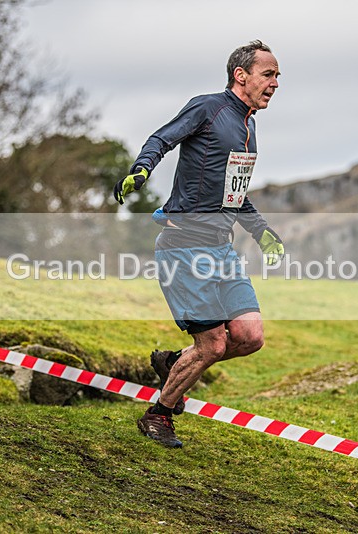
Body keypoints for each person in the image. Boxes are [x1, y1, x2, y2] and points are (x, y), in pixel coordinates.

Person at [113, 40, 285, 448]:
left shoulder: (248, 124)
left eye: (278, 76)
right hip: (184, 246)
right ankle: (160, 414)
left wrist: (261, 231)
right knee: (212, 343)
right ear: (240, 75)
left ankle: (176, 363)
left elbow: (234, 194)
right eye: (269, 74)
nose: (276, 83)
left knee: (248, 336)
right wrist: (140, 170)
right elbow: (162, 138)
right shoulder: (208, 108)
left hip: (222, 249)